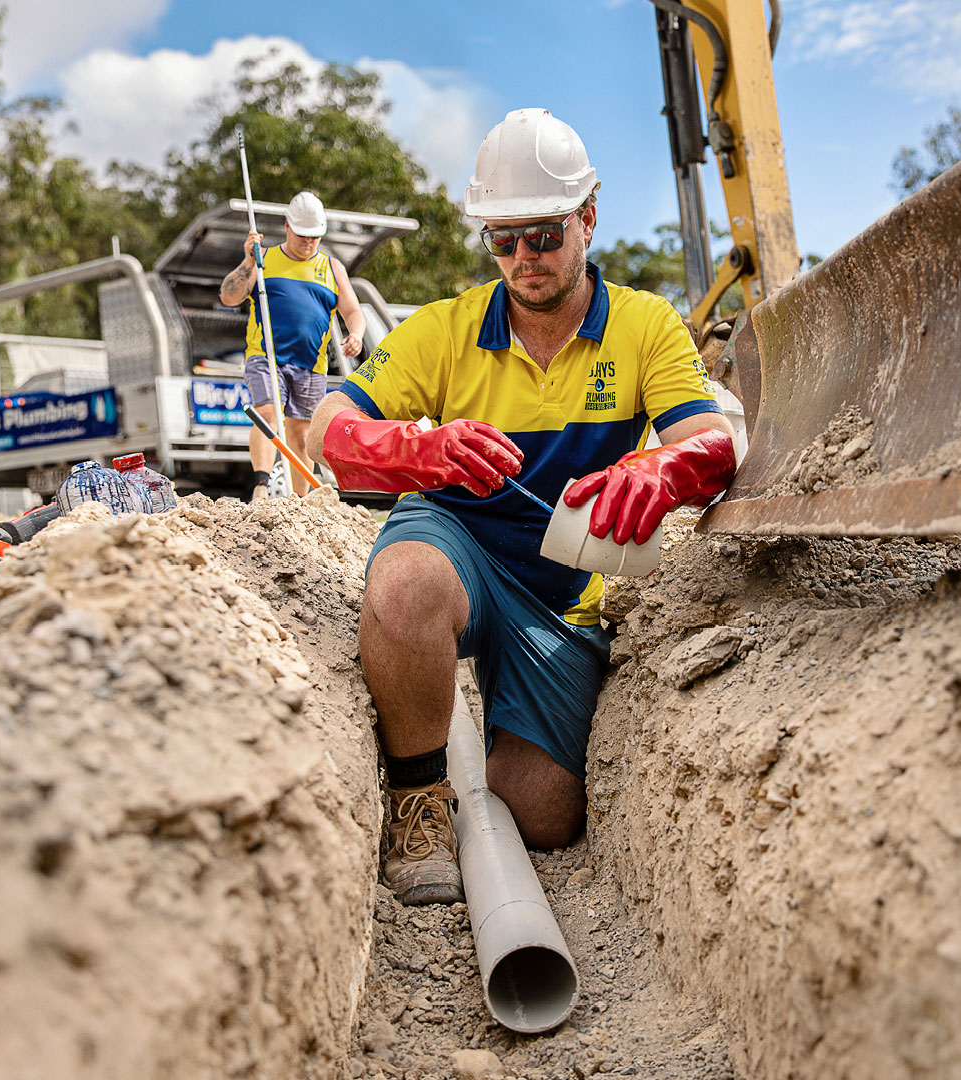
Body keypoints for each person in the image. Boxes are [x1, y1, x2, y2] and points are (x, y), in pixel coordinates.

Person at [306, 109, 738, 905]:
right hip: (458, 543)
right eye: (502, 241)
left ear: (587, 220)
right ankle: (417, 796)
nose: (522, 259)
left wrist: (663, 472)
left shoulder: (644, 327)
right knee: (403, 590)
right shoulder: (448, 329)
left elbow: (712, 439)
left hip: (564, 588)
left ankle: (488, 721)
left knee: (538, 811)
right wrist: (414, 451)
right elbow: (329, 427)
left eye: (541, 235)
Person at [220, 191, 367, 497]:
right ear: (287, 227)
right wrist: (249, 260)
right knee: (268, 413)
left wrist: (356, 334)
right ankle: (261, 485)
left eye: (315, 236)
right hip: (267, 355)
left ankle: (300, 501)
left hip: (311, 364)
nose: (308, 242)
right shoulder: (265, 259)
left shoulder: (332, 268)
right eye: (302, 235)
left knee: (301, 434)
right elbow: (228, 296)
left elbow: (353, 310)